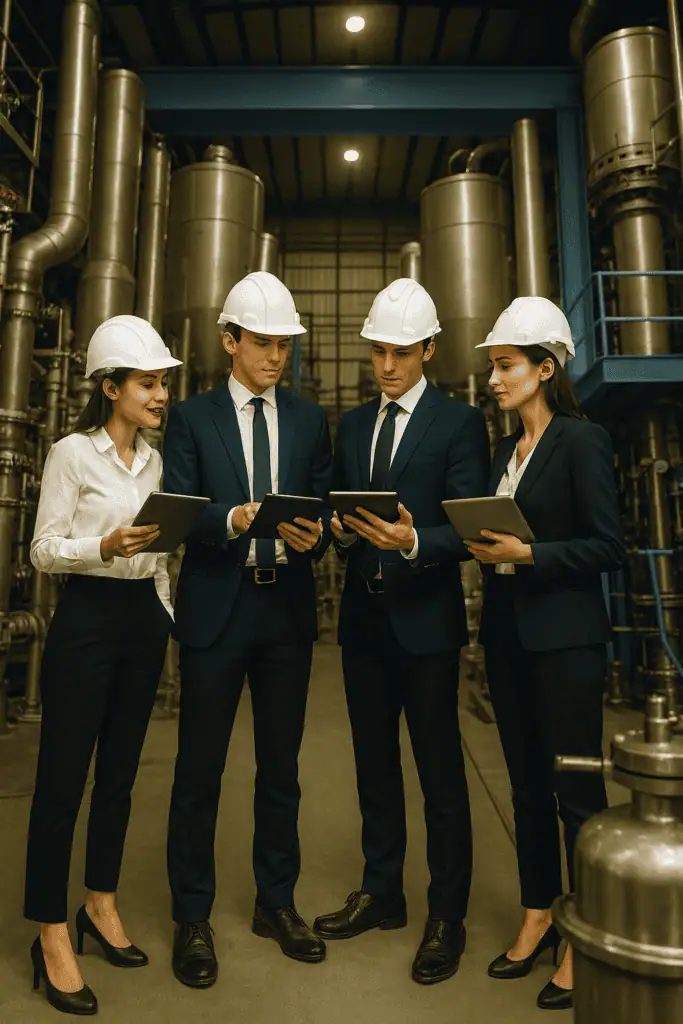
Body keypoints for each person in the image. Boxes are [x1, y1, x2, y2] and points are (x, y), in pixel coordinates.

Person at [313, 278, 490, 985]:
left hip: (425, 625)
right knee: (374, 769)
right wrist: (332, 530)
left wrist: (418, 540)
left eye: (399, 352)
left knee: (440, 774)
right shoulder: (353, 425)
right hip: (364, 625)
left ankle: (446, 914)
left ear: (428, 350)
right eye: (377, 352)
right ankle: (381, 893)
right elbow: (336, 504)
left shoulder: (456, 425)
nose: (385, 365)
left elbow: (469, 530)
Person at [163, 271, 333, 988]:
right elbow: (175, 505)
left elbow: (321, 510)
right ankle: (192, 917)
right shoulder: (192, 418)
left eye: (284, 345)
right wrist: (230, 519)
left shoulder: (306, 419)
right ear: (229, 341)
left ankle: (276, 903)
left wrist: (314, 537)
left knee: (281, 771)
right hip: (216, 607)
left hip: (283, 612)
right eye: (263, 343)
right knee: (198, 772)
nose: (276, 357)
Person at [464, 296, 624, 1012]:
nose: (494, 380)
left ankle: (581, 942)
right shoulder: (505, 452)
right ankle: (536, 915)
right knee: (525, 788)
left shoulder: (581, 441)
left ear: (545, 367)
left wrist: (528, 553)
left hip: (565, 643)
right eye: (494, 367)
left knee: (575, 798)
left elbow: (605, 545)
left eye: (505, 366)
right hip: (508, 638)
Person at [24, 315, 182, 1016]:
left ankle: (100, 903)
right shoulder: (70, 455)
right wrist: (104, 547)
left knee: (118, 778)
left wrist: (165, 612)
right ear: (110, 387)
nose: (160, 395)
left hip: (141, 620)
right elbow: (42, 549)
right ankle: (51, 932)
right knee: (63, 780)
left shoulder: (154, 459)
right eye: (149, 383)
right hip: (86, 618)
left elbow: (163, 550)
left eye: (164, 384)